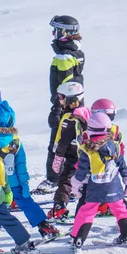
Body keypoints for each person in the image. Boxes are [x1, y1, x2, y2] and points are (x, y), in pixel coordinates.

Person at [0, 98, 59, 239]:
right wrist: (24, 184)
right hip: (13, 181)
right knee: (24, 201)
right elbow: (21, 166)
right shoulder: (15, 141)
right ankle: (44, 226)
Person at [70, 112, 127, 254]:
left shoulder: (87, 149)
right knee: (120, 208)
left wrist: (75, 186)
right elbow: (122, 166)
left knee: (87, 211)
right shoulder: (115, 146)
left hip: (95, 187)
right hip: (113, 184)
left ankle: (78, 240)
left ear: (90, 129)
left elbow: (81, 172)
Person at [36, 15, 85, 195]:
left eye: (56, 30)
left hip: (66, 105)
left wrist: (56, 109)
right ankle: (76, 177)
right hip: (77, 103)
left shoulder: (63, 57)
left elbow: (64, 86)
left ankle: (53, 179)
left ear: (64, 32)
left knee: (57, 143)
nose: (53, 33)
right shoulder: (76, 52)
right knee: (74, 142)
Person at [80, 98, 127, 218]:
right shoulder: (113, 130)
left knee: (87, 195)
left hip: (95, 168)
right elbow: (120, 148)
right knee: (115, 194)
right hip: (110, 166)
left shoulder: (91, 131)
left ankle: (80, 222)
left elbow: (84, 151)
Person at [47, 81, 89, 221]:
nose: (59, 100)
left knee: (65, 181)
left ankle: (59, 209)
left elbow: (63, 141)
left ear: (71, 99)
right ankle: (102, 205)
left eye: (61, 97)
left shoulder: (69, 118)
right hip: (86, 154)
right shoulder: (85, 112)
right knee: (89, 181)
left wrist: (58, 157)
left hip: (72, 154)